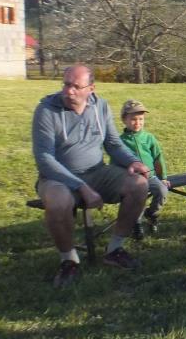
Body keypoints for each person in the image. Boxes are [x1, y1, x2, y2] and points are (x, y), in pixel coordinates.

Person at [32, 64, 150, 288]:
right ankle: (69, 260)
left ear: (91, 89)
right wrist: (81, 187)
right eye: (66, 84)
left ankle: (115, 249)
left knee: (139, 185)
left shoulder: (100, 106)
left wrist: (133, 161)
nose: (69, 91)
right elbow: (44, 159)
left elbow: (113, 143)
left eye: (76, 87)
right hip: (56, 178)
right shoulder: (46, 110)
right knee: (58, 202)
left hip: (96, 172)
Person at [119, 99, 170, 240]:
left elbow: (158, 158)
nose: (138, 123)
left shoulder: (148, 138)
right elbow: (116, 162)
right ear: (124, 120)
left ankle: (152, 214)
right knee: (137, 198)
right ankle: (136, 223)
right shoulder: (120, 141)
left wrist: (163, 177)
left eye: (141, 119)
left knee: (162, 191)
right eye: (133, 119)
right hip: (133, 179)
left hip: (151, 176)